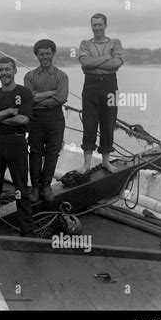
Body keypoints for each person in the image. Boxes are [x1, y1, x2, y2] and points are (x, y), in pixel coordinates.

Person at [0, 57, 36, 237]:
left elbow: (23, 119)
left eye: (7, 69)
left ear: (15, 71)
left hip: (17, 141)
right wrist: (8, 112)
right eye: (1, 70)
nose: (4, 73)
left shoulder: (25, 92)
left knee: (20, 188)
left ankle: (27, 229)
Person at [77, 13, 124, 174]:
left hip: (110, 84)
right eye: (94, 25)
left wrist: (93, 63)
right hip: (91, 85)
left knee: (108, 123)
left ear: (105, 25)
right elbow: (85, 62)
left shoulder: (115, 43)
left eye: (99, 24)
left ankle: (106, 161)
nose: (97, 28)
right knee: (89, 124)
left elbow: (117, 63)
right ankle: (87, 164)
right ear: (91, 26)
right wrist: (106, 58)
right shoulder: (85, 43)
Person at [24, 40, 68, 203]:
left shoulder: (62, 76)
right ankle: (35, 186)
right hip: (36, 118)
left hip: (56, 118)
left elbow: (61, 98)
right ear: (37, 56)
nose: (45, 57)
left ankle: (46, 185)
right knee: (35, 151)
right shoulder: (29, 76)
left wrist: (37, 97)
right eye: (41, 54)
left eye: (48, 53)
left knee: (52, 151)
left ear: (53, 54)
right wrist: (51, 93)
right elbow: (29, 98)